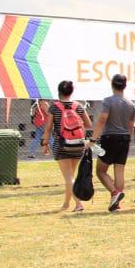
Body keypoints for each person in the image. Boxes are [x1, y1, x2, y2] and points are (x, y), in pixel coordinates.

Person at [42, 80, 93, 212]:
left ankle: (78, 204)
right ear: (71, 92)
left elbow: (48, 128)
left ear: (59, 92)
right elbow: (88, 124)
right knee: (71, 176)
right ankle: (66, 204)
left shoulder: (54, 107)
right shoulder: (78, 106)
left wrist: (45, 143)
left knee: (69, 177)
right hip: (78, 144)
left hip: (62, 145)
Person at [90, 73, 134, 211]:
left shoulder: (108, 101)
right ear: (125, 86)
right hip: (125, 138)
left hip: (110, 138)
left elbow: (102, 119)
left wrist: (93, 139)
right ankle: (116, 202)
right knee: (119, 171)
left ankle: (115, 193)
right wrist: (128, 140)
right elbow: (130, 126)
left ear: (112, 85)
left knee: (100, 171)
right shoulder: (131, 104)